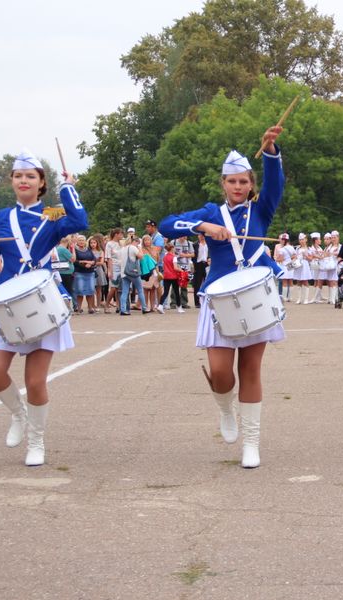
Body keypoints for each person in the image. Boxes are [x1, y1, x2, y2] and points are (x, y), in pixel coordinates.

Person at [158, 125, 285, 468]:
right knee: (220, 372)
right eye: (233, 181)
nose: (239, 187)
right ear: (223, 184)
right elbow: (167, 225)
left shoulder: (261, 209)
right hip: (219, 298)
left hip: (256, 296)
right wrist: (203, 227)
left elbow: (276, 184)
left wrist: (270, 150)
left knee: (251, 370)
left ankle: (252, 444)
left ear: (250, 184)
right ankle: (225, 408)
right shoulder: (211, 212)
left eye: (244, 181)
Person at [0, 150, 88, 466]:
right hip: (7, 298)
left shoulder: (52, 214)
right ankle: (18, 414)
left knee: (35, 381)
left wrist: (68, 188)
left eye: (30, 176)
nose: (24, 181)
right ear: (12, 181)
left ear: (41, 182)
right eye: (19, 176)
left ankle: (37, 442)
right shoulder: (2, 217)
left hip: (41, 298)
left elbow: (80, 221)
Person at [118, 236, 148, 315]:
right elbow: (141, 257)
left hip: (124, 272)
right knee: (140, 289)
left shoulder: (123, 249)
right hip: (133, 272)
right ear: (135, 241)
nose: (138, 243)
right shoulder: (133, 248)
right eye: (138, 242)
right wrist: (140, 248)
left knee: (124, 291)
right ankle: (144, 308)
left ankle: (123, 309)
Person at [72, 235, 97, 314]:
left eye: (83, 240)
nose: (81, 242)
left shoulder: (88, 249)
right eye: (80, 240)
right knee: (80, 290)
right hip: (79, 272)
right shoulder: (74, 250)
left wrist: (91, 263)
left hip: (90, 272)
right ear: (77, 241)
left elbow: (94, 259)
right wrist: (85, 262)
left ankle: (90, 308)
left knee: (91, 290)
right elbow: (75, 261)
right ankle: (79, 308)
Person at [192, 233, 208, 308]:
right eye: (199, 235)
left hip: (206, 264)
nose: (201, 237)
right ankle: (197, 302)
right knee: (197, 284)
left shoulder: (208, 243)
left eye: (202, 235)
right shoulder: (195, 244)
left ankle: (207, 300)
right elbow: (193, 255)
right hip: (198, 264)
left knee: (207, 282)